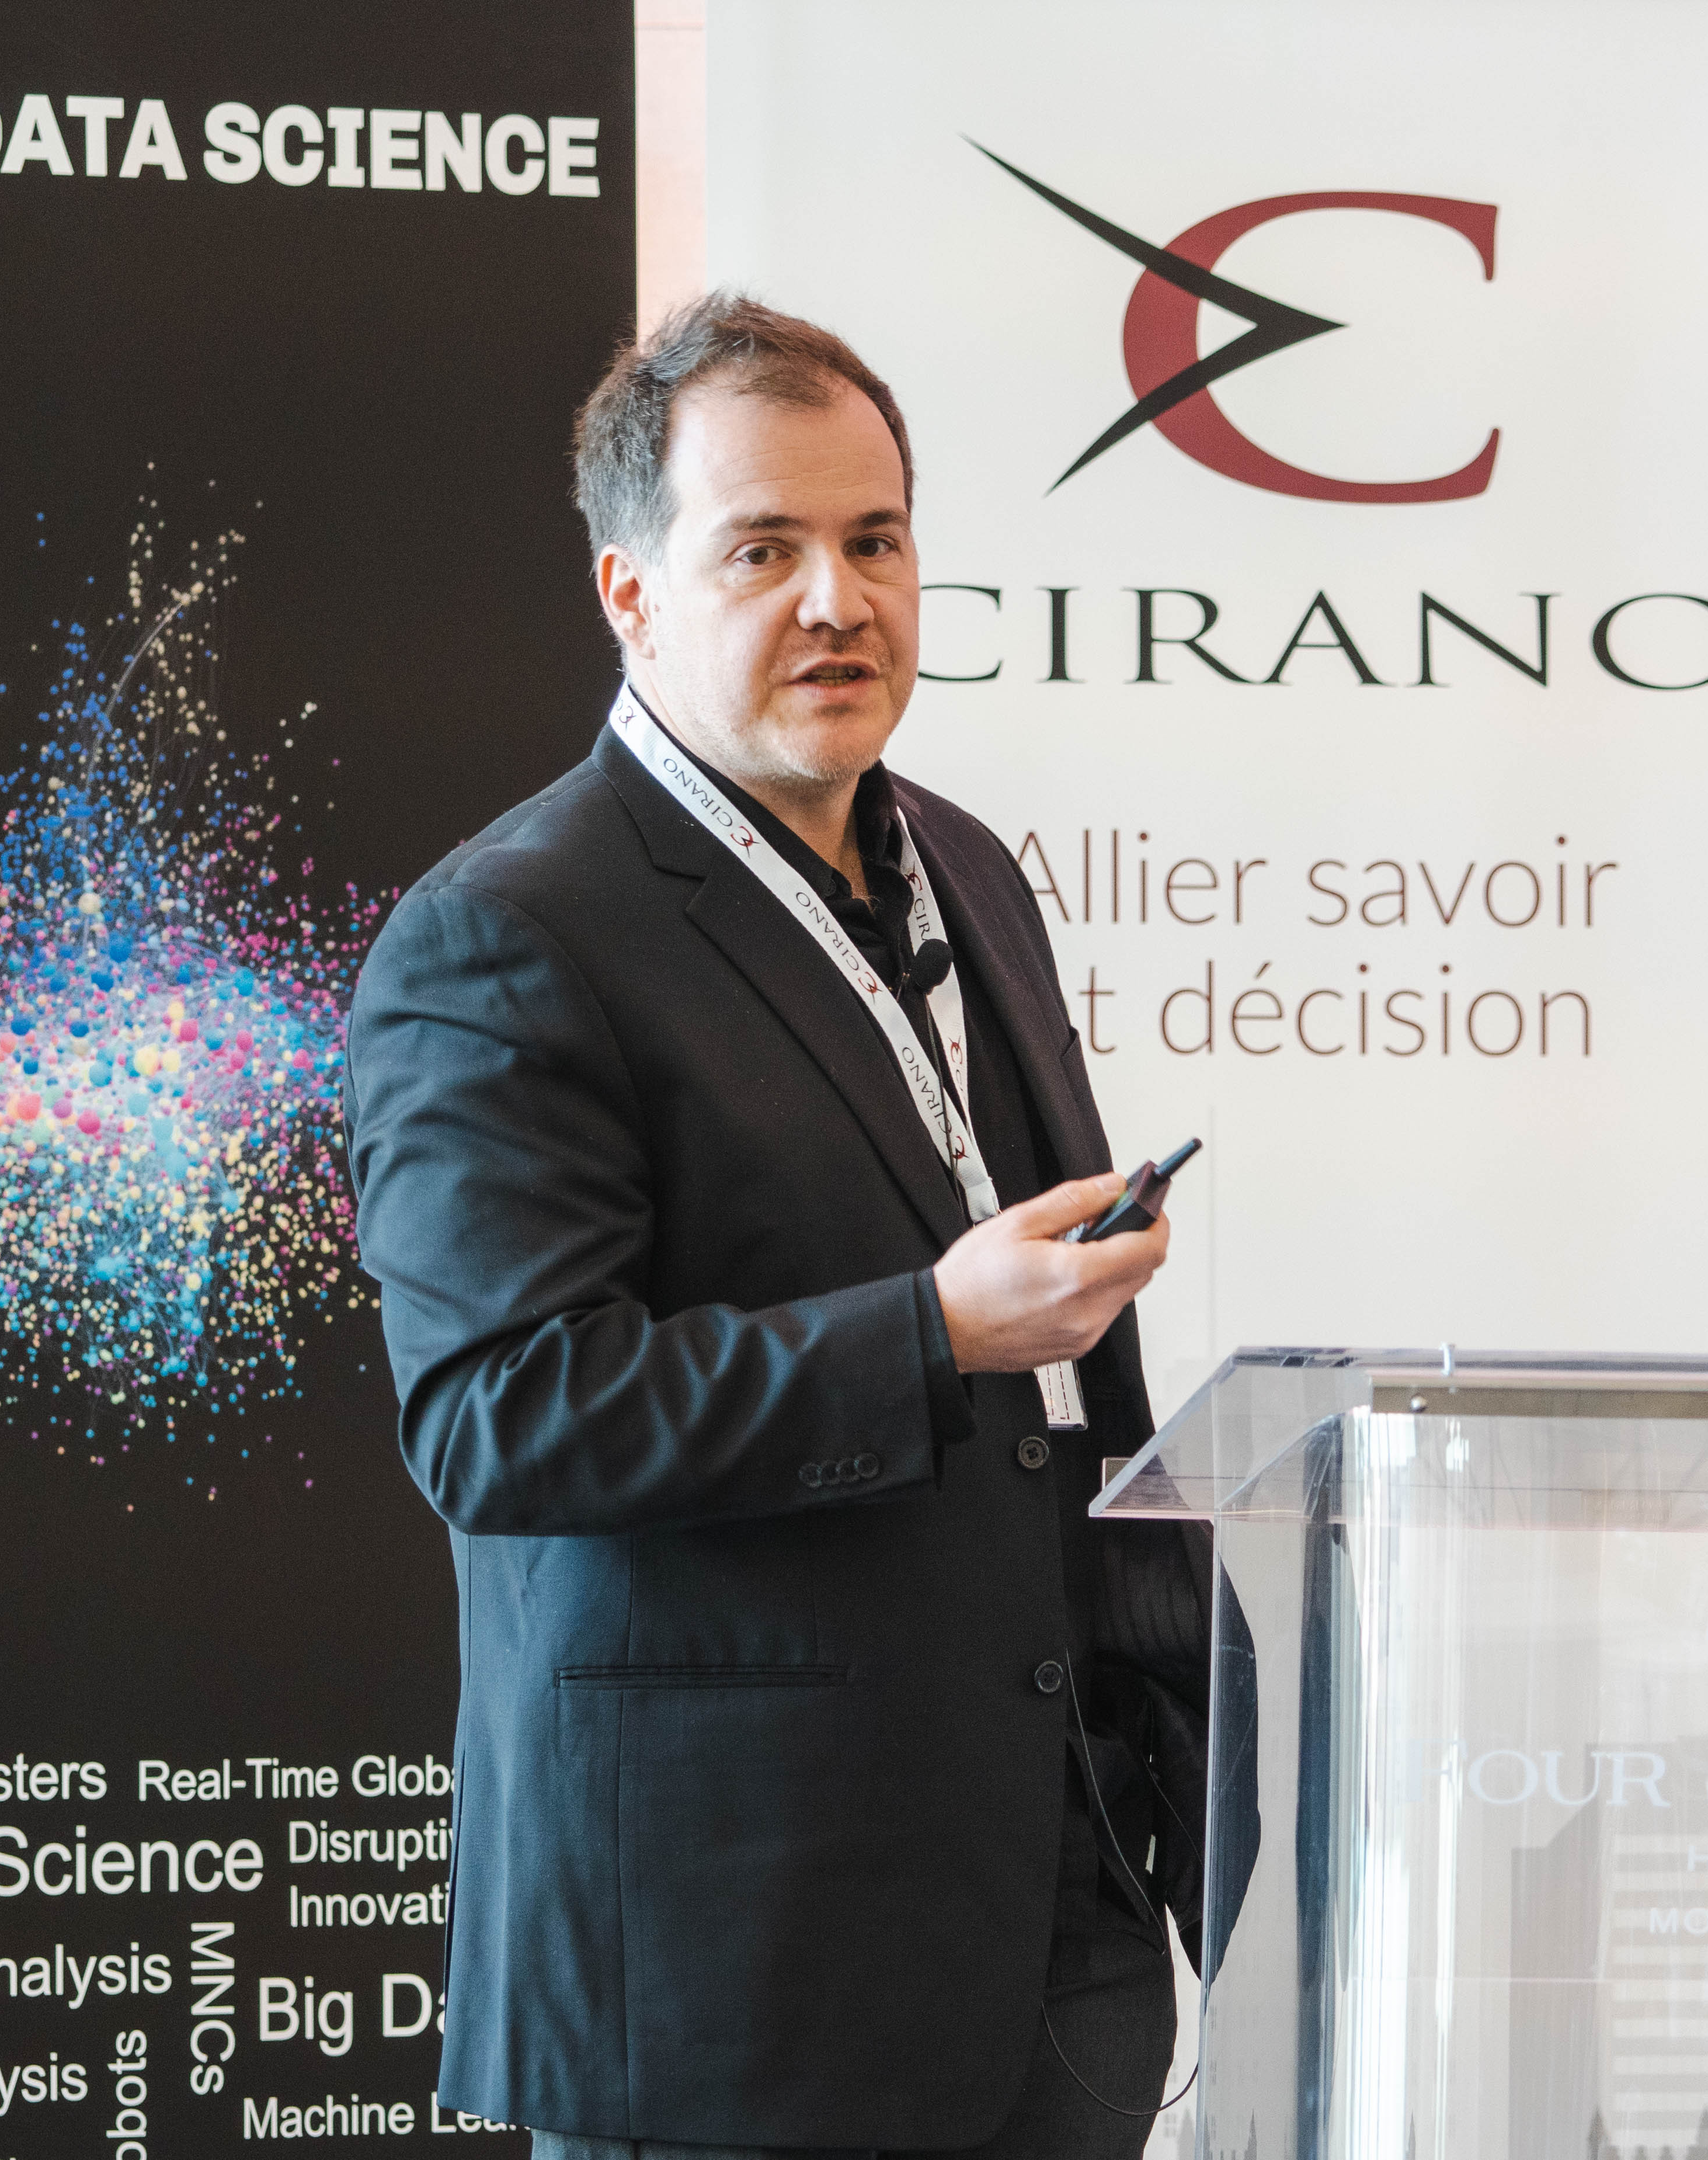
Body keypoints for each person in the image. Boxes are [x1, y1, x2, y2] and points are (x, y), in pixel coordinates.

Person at [343, 293, 1211, 2160]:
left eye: (876, 540)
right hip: (733, 1964)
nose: (840, 599)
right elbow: (500, 1417)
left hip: (1054, 1916)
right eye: (763, 549)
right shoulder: (507, 931)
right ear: (630, 591)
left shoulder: (966, 863)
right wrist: (935, 1329)